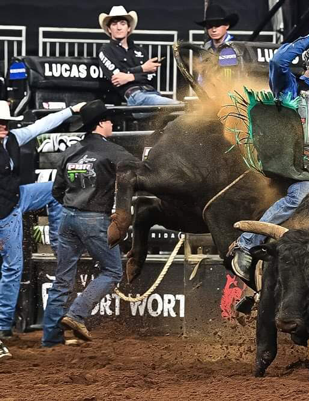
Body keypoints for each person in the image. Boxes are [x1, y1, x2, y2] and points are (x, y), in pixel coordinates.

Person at [230, 17, 309, 281]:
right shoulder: (290, 86)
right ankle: (246, 243)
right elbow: (278, 61)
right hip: (293, 164)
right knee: (301, 194)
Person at [42, 100, 137, 347]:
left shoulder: (71, 151)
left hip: (68, 216)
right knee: (112, 271)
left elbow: (57, 190)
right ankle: (76, 314)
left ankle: (50, 339)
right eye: (109, 121)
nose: (112, 124)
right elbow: (140, 171)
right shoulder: (113, 152)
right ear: (101, 124)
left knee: (62, 278)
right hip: (95, 218)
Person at [0, 101, 84, 340]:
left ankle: (60, 244)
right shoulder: (10, 139)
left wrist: (70, 110)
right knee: (13, 267)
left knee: (55, 189)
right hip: (5, 211)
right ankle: (3, 324)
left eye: (5, 123)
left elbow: (41, 125)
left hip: (15, 199)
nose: (3, 127)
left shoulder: (13, 138)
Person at [97, 6, 180, 107]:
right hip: (134, 95)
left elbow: (150, 77)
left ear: (129, 28)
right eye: (114, 24)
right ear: (109, 29)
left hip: (152, 93)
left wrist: (129, 76)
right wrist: (142, 69)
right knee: (177, 106)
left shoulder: (140, 50)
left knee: (179, 110)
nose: (119, 27)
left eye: (122, 23)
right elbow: (117, 77)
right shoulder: (106, 50)